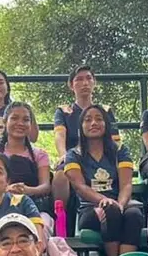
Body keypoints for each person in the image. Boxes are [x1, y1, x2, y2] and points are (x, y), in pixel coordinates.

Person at [64, 104, 143, 256]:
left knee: (134, 215)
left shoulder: (120, 150)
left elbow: (126, 184)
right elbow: (80, 186)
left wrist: (119, 204)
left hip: (120, 203)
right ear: (81, 127)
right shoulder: (73, 154)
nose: (93, 123)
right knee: (110, 211)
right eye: (88, 120)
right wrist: (106, 201)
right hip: (89, 209)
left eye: (99, 119)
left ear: (106, 125)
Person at [51, 66, 120, 212]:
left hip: (102, 157)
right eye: (79, 79)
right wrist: (63, 155)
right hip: (73, 159)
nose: (85, 83)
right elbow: (60, 135)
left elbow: (115, 140)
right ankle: (62, 221)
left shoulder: (105, 111)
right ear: (71, 85)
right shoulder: (64, 111)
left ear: (95, 82)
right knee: (60, 176)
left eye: (89, 78)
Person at [0, 101, 57, 211]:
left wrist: (26, 190)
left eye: (26, 120)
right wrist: (7, 189)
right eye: (14, 118)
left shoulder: (39, 155)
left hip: (34, 208)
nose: (20, 123)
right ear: (5, 122)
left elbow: (45, 187)